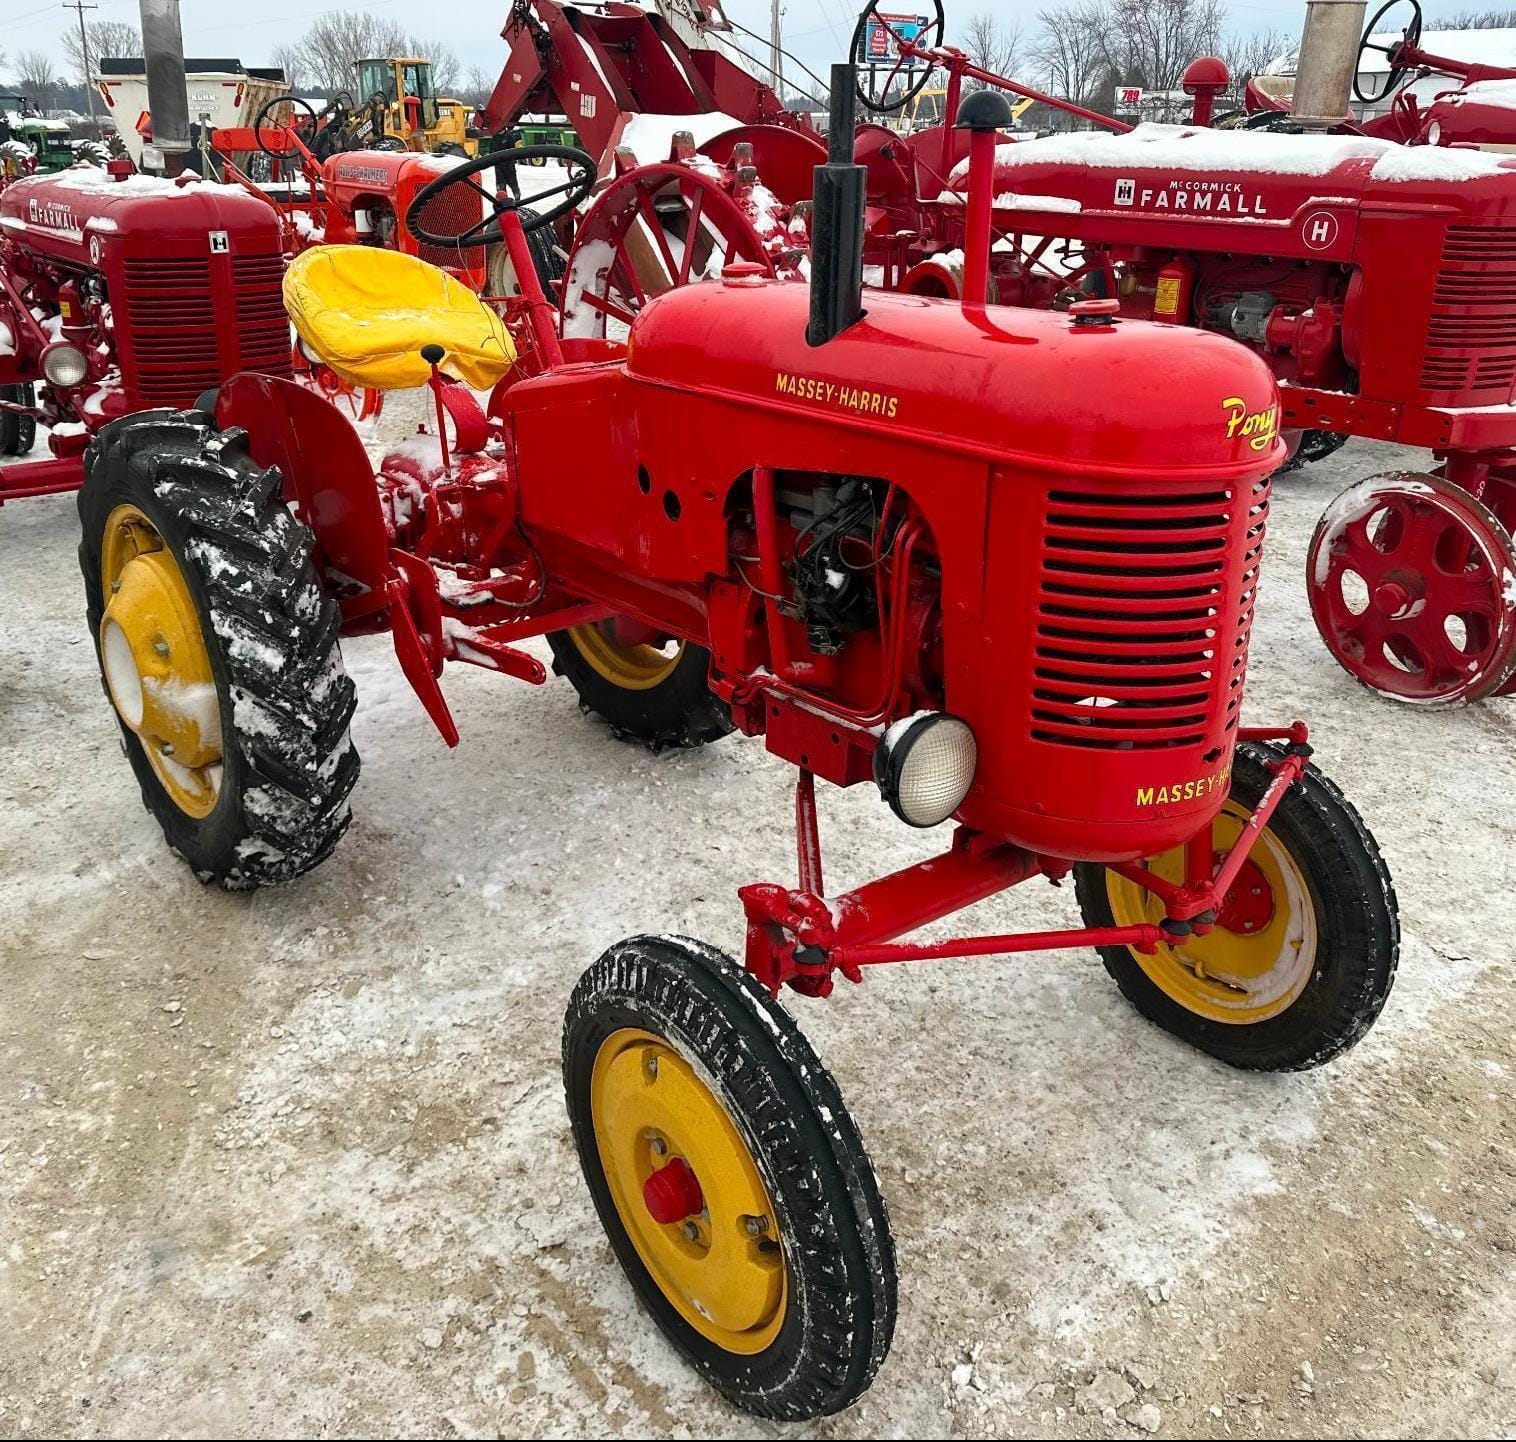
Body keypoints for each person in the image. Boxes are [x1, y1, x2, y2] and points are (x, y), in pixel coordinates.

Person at [493, 125, 524, 201]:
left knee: (513, 184)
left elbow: (512, 149)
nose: (500, 132)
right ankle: (502, 201)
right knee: (501, 187)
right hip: (499, 167)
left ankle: (517, 199)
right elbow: (492, 151)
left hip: (509, 166)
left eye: (501, 130)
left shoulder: (509, 136)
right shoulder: (495, 138)